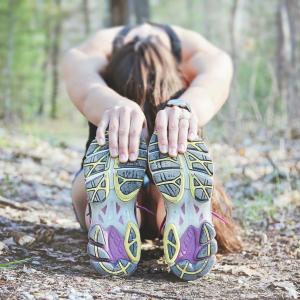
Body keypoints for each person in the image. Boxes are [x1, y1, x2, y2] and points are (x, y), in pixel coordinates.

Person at [63, 21, 242, 281]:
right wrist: (185, 109)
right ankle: (168, 211)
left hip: (112, 160)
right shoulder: (197, 51)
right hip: (174, 159)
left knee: (91, 187)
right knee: (172, 188)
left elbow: (87, 90)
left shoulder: (93, 50)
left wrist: (113, 106)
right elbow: (212, 85)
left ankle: (117, 217)